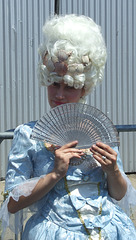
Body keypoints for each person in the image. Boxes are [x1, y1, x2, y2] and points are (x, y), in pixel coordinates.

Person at [0, 14, 136, 240]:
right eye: (54, 84)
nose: (60, 94)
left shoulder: (99, 131)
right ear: (45, 81)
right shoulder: (27, 135)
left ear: (85, 88)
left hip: (111, 231)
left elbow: (119, 194)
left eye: (71, 86)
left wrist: (112, 171)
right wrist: (55, 174)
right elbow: (12, 205)